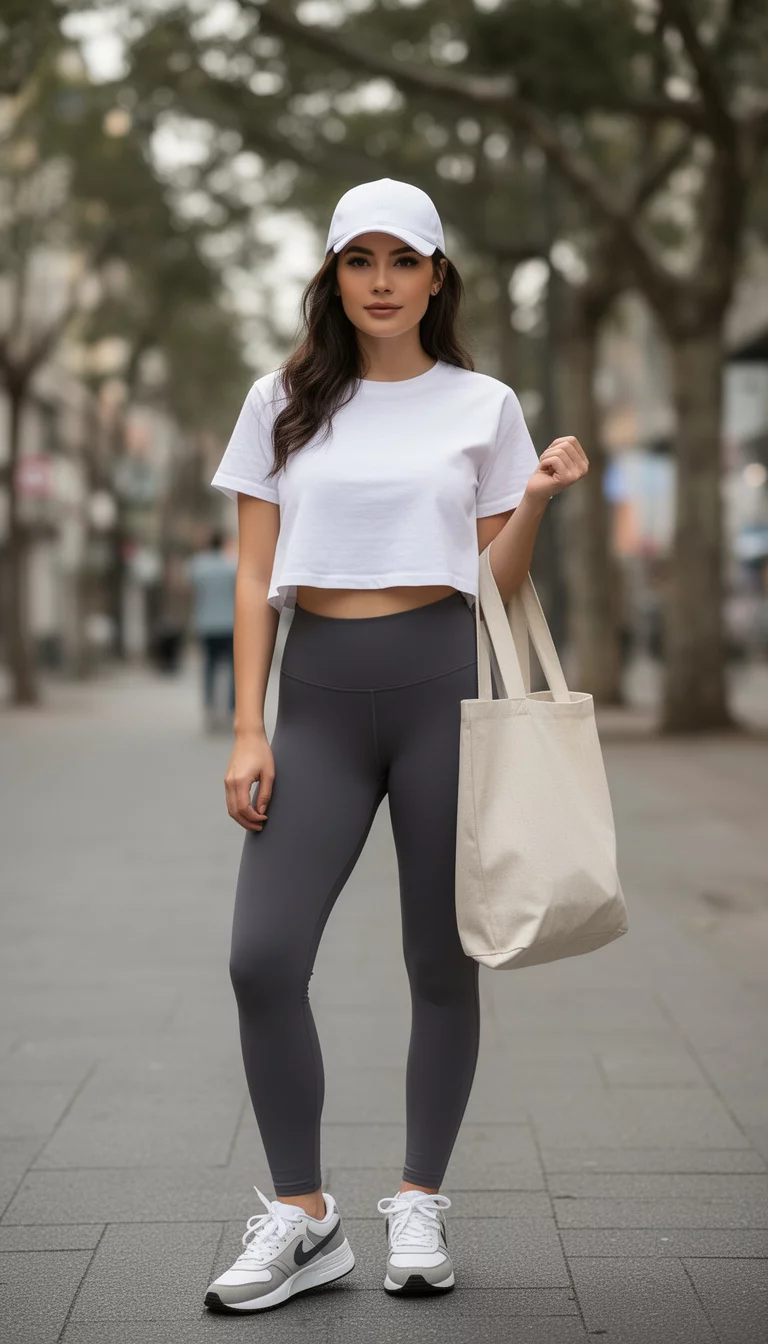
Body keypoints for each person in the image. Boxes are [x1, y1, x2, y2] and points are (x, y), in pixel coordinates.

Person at [203, 178, 588, 1314]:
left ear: (434, 276)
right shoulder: (281, 401)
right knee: (261, 957)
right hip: (315, 699)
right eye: (358, 260)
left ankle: (418, 1202)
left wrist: (538, 502)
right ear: (332, 276)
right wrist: (245, 725)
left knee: (440, 961)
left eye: (400, 260)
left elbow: (495, 584)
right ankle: (304, 1216)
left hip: (440, 690)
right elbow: (254, 575)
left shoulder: (485, 404)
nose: (380, 281)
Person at [188, 530, 237, 731]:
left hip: (206, 624)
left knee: (209, 668)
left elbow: (192, 590)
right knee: (234, 670)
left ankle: (209, 709)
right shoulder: (231, 566)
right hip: (229, 624)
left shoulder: (198, 566)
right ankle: (231, 710)